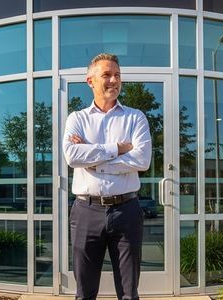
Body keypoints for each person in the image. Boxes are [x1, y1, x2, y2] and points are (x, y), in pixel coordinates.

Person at [63, 53, 152, 300]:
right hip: (85, 211)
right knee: (85, 292)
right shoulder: (77, 119)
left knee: (128, 292)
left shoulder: (135, 117)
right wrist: (117, 149)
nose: (114, 80)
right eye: (106, 75)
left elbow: (142, 160)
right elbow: (72, 156)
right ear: (90, 80)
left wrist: (93, 160)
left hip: (127, 210)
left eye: (118, 75)